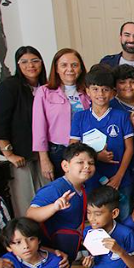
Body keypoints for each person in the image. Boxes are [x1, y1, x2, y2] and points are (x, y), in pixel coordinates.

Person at [69, 65, 134, 216]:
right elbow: (73, 148)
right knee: (95, 219)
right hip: (90, 179)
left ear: (112, 93)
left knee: (122, 216)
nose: (100, 94)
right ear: (87, 91)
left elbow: (129, 148)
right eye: (95, 89)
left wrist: (119, 177)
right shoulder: (80, 118)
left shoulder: (121, 116)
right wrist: (96, 157)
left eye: (105, 89)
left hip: (119, 180)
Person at [0, 45, 48, 217]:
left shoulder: (46, 87)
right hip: (19, 154)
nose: (30, 65)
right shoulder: (10, 86)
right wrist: (9, 154)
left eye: (34, 61)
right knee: (25, 200)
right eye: (24, 62)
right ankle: (26, 239)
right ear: (18, 64)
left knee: (46, 196)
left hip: (43, 153)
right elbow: (0, 123)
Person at [27, 143, 96, 259]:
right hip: (53, 252)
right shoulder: (54, 189)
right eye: (80, 162)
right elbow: (30, 215)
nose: (87, 166)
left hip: (69, 245)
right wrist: (55, 207)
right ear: (65, 166)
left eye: (91, 163)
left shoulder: (84, 187)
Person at [33, 48, 90, 180]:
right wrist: (44, 159)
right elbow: (39, 127)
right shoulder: (44, 92)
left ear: (81, 68)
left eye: (74, 65)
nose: (70, 69)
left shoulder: (89, 91)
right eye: (64, 65)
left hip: (86, 150)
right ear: (56, 69)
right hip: (58, 151)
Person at [110, 64, 134, 186]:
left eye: (132, 82)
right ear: (115, 85)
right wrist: (128, 127)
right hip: (122, 165)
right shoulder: (111, 107)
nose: (128, 86)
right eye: (122, 82)